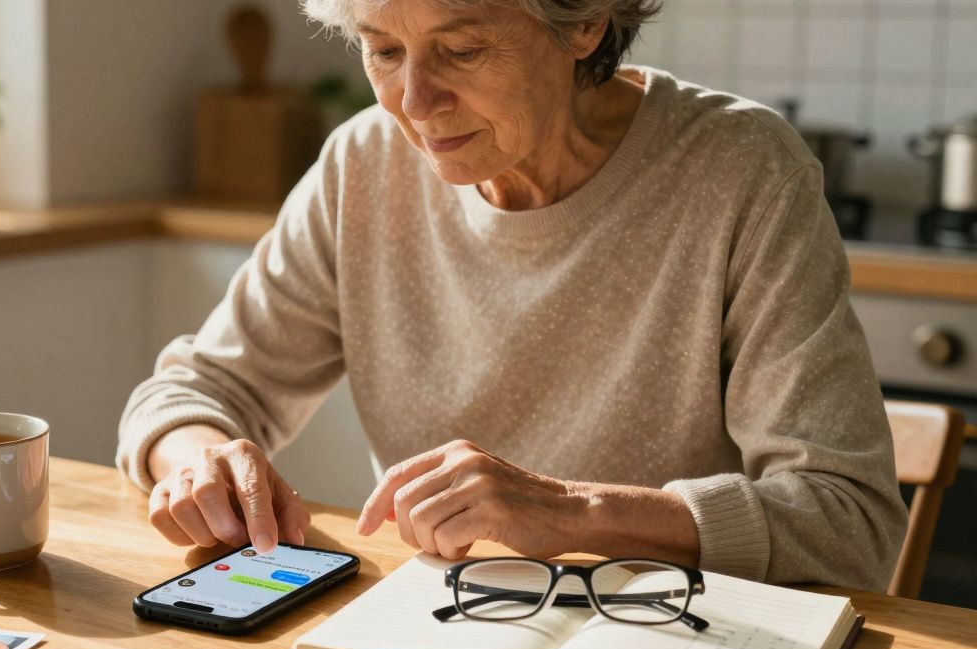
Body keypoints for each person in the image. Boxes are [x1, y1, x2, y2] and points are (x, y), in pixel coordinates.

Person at [117, 0, 908, 590]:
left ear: (586, 22)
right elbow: (196, 389)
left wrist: (571, 513)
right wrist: (198, 460)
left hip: (674, 648)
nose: (413, 103)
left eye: (461, 50)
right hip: (437, 633)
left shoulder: (743, 171)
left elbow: (850, 525)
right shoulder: (363, 164)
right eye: (383, 49)